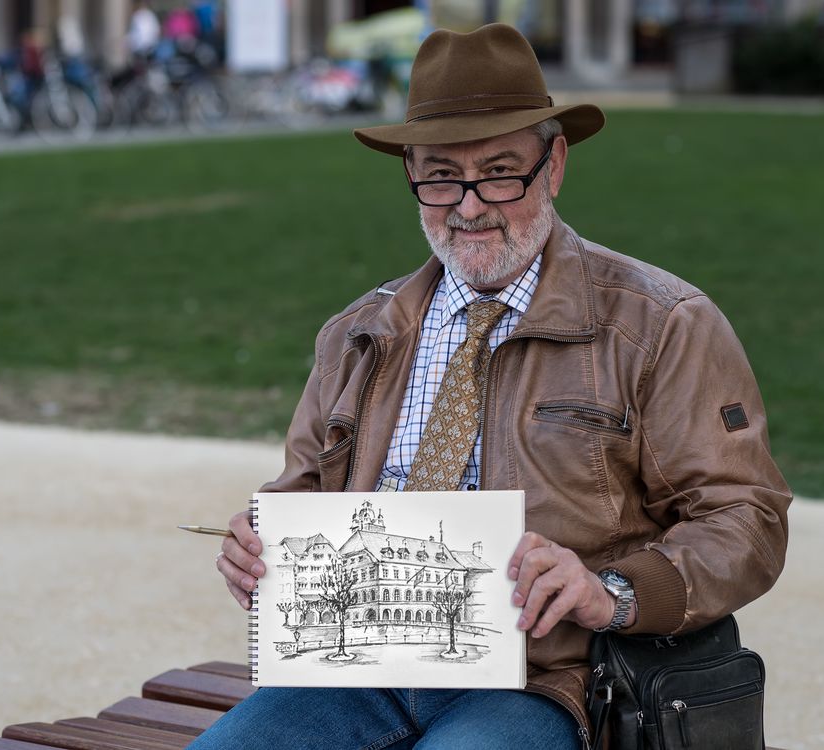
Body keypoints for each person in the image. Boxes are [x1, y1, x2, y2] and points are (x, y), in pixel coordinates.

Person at [191, 23, 791, 750]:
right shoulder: (357, 333)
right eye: (441, 175)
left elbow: (745, 516)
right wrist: (263, 549)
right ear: (410, 171)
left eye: (500, 171)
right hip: (354, 669)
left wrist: (612, 593)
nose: (469, 206)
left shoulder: (661, 325)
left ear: (555, 165)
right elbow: (303, 495)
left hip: (552, 681)